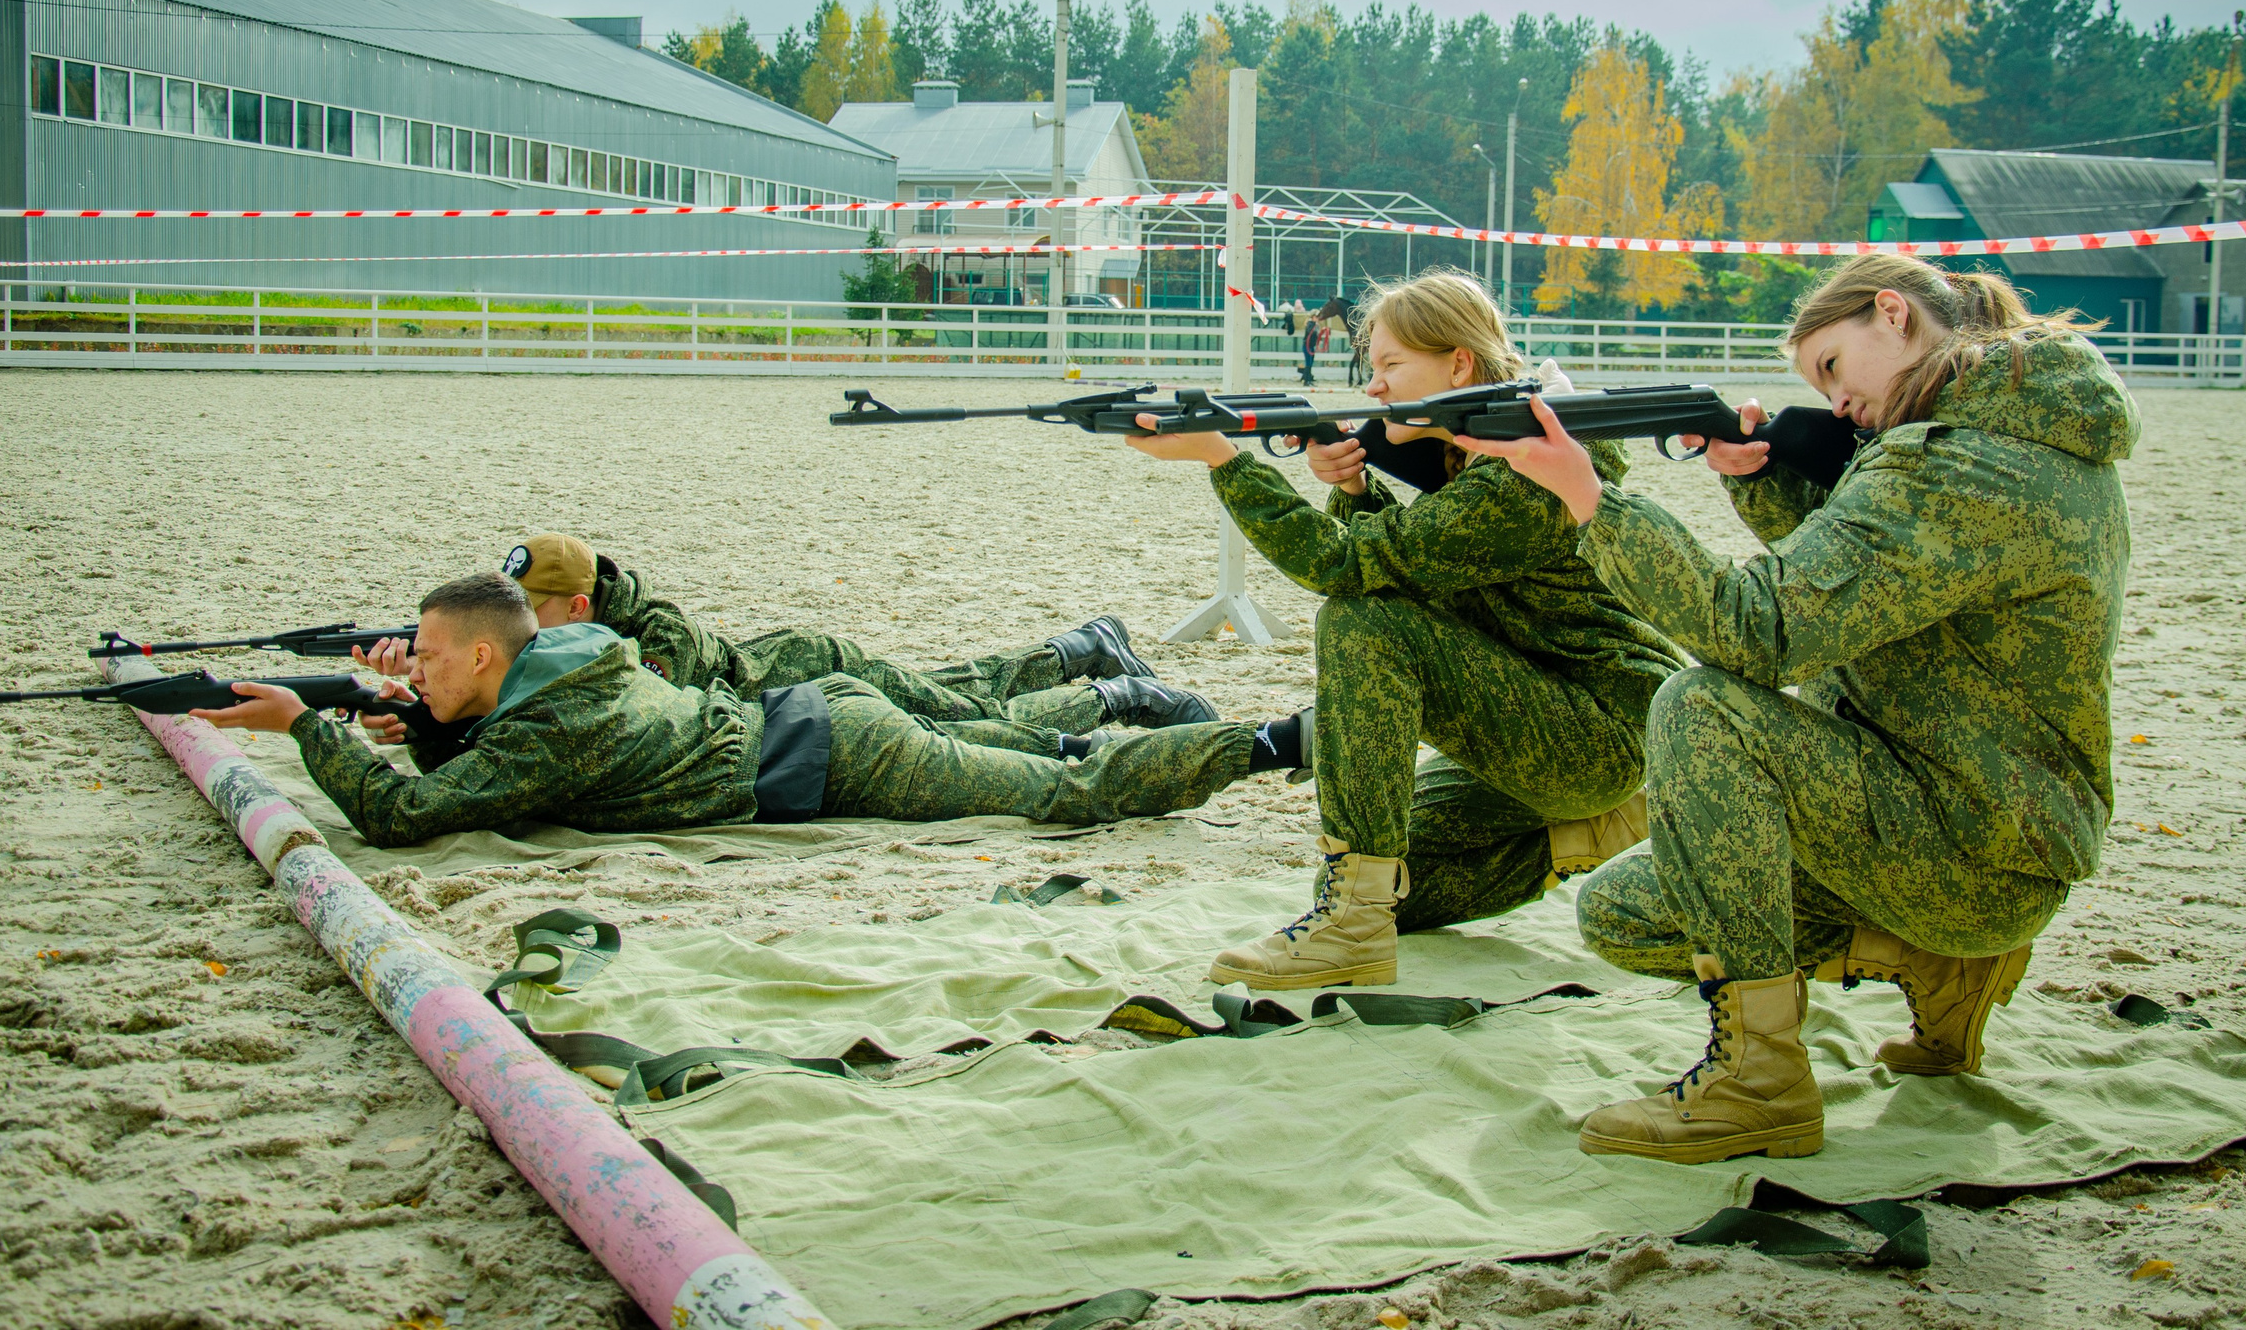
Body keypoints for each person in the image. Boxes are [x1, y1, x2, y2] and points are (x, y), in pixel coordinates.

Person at [1453, 258, 2135, 1165]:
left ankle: (1760, 1083)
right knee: (1629, 910)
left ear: (1891, 313)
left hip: (1968, 845)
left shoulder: (1962, 465)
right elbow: (1869, 583)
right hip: (1966, 824)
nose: (1836, 401)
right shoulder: (2013, 436)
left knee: (1706, 707)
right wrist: (1758, 477)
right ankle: (1938, 963)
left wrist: (1587, 496)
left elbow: (1760, 632)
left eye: (1831, 368)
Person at [1123, 270, 1686, 990]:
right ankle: (1578, 833)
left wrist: (1221, 458)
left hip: (1598, 730)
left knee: (1360, 623)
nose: (1376, 386)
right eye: (1373, 367)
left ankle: (1351, 930)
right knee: (1399, 886)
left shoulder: (1520, 475)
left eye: (1391, 365)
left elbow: (1345, 571)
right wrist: (1355, 489)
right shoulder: (1474, 451)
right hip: (1544, 712)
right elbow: (1407, 564)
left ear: (1459, 364)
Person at [197, 572, 1312, 847]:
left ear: (488, 653)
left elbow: (404, 818)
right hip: (819, 716)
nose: (418, 670)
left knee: (1061, 792)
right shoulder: (573, 654)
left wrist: (306, 725)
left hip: (832, 755)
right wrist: (433, 720)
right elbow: (490, 746)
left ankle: (1274, 744)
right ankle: (1118, 688)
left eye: (434, 659)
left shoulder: (549, 724)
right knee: (1027, 747)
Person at [484, 533, 1211, 736]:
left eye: (534, 608)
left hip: (810, 678)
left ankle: (1123, 691)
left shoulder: (649, 639)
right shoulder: (604, 629)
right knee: (957, 691)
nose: (524, 625)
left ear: (579, 606)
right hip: (803, 680)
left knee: (969, 717)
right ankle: (1085, 647)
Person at [1299, 316, 1323, 387]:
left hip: (1311, 346)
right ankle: (1307, 380)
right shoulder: (1310, 324)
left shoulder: (1315, 325)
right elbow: (1310, 332)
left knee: (1310, 363)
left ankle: (1308, 379)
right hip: (1307, 346)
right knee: (1308, 363)